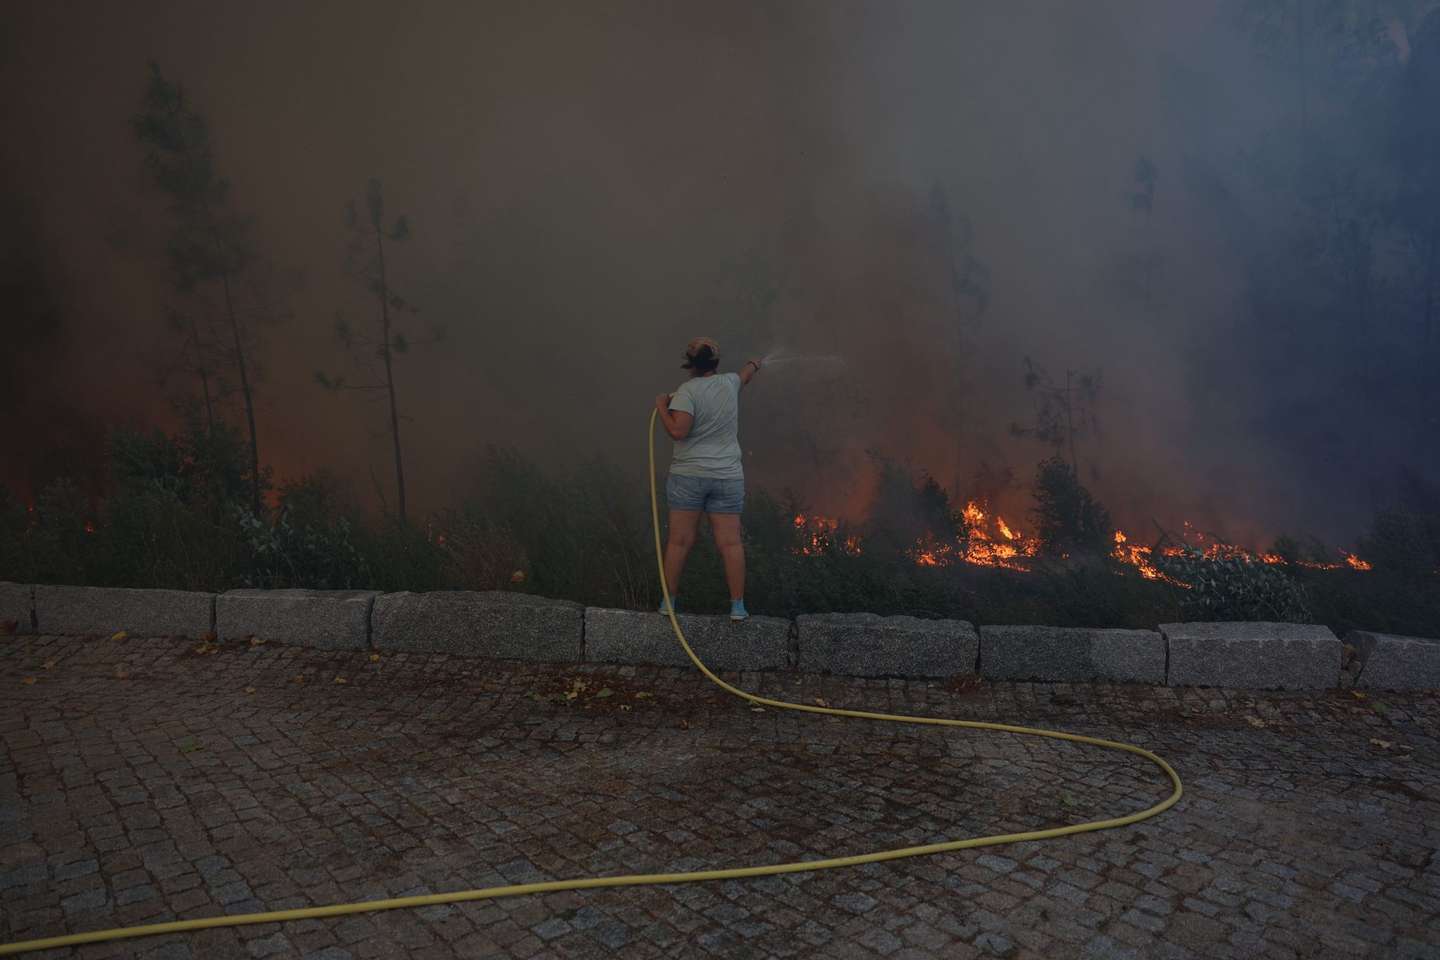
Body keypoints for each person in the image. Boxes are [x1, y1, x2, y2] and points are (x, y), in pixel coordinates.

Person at [654, 337, 762, 621]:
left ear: (690, 363)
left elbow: (678, 432)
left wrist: (662, 407)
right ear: (714, 361)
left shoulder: (686, 392)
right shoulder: (729, 383)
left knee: (679, 541)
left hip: (689, 477)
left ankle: (668, 603)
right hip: (727, 477)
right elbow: (745, 375)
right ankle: (737, 607)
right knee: (731, 543)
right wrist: (754, 363)